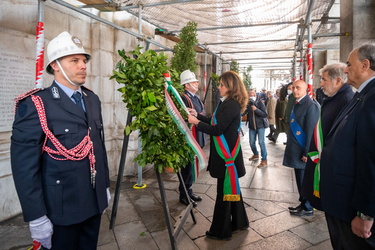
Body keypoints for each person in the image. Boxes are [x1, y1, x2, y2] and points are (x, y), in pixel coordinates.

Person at [11, 31, 110, 249]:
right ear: (55, 65)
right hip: (61, 210)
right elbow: (24, 167)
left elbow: (98, 147)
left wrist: (105, 186)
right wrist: (36, 216)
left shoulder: (91, 99)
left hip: (93, 203)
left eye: (83, 60)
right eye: (74, 60)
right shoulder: (37, 104)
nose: (83, 65)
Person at [319, 44, 375, 249]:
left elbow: (371, 159)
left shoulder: (372, 98)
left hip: (353, 205)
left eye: (349, 64)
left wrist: (365, 213)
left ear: (365, 65)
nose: (345, 69)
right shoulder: (361, 94)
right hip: (341, 199)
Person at [188, 71, 249, 240]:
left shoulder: (231, 105)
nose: (219, 87)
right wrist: (198, 116)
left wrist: (196, 123)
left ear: (230, 87)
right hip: (227, 153)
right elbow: (215, 122)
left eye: (222, 84)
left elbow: (217, 130)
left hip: (226, 156)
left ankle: (220, 231)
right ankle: (239, 222)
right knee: (231, 188)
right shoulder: (228, 102)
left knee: (223, 192)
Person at [301, 63, 354, 213]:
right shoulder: (335, 99)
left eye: (324, 80)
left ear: (337, 81)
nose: (321, 84)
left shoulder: (345, 100)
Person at [283, 80, 319, 216]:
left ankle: (308, 206)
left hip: (303, 151)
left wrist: (307, 152)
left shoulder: (311, 105)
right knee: (300, 179)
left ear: (306, 89)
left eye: (298, 88)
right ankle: (303, 202)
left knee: (305, 179)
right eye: (293, 88)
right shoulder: (298, 103)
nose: (295, 91)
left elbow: (311, 131)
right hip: (296, 149)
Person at [178, 69, 205, 207]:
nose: (196, 83)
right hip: (189, 136)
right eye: (193, 82)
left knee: (191, 166)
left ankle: (189, 190)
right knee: (187, 167)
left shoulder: (196, 97)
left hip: (197, 134)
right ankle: (184, 194)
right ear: (186, 85)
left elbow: (202, 112)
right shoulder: (183, 98)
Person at [246, 90, 268, 168]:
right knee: (251, 142)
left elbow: (264, 114)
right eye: (250, 94)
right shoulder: (248, 103)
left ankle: (264, 160)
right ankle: (255, 154)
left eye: (253, 94)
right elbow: (244, 112)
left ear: (256, 94)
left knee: (261, 142)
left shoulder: (260, 103)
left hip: (260, 126)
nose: (251, 95)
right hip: (252, 126)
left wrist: (256, 109)